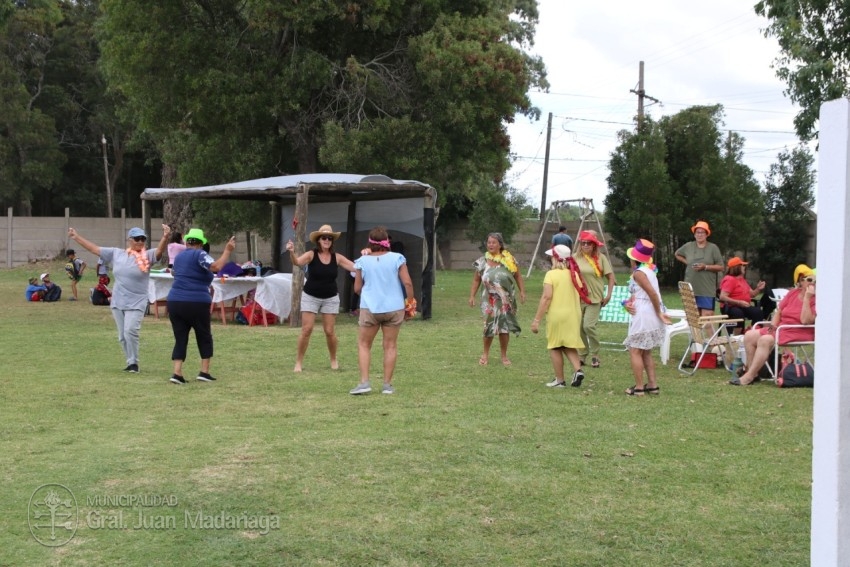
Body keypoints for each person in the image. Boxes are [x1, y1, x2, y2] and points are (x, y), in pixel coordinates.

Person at [68, 225, 169, 373]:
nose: (140, 241)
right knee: (122, 336)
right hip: (118, 301)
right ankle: (129, 362)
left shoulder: (147, 256)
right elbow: (94, 249)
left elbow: (159, 252)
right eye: (137, 239)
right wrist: (76, 237)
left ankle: (134, 363)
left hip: (137, 301)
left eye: (143, 239)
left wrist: (165, 237)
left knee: (130, 331)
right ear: (130, 240)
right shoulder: (117, 254)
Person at [349, 226, 415, 395]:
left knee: (364, 345)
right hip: (394, 308)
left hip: (370, 307)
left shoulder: (361, 261)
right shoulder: (398, 258)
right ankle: (387, 385)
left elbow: (357, 288)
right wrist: (410, 303)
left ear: (370, 242)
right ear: (387, 241)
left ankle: (364, 382)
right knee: (390, 345)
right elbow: (407, 283)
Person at [167, 228, 236, 385]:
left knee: (180, 337)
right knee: (204, 335)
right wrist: (227, 251)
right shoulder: (200, 254)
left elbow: (174, 273)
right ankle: (204, 372)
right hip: (196, 301)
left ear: (187, 242)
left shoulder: (178, 257)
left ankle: (177, 373)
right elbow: (216, 267)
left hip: (175, 301)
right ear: (201, 243)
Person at [730, 264, 816, 386]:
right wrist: (773, 327)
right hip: (782, 328)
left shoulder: (816, 298)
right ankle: (751, 372)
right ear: (800, 281)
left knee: (765, 340)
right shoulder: (792, 294)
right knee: (749, 335)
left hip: (799, 331)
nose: (812, 283)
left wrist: (807, 298)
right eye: (808, 280)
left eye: (813, 280)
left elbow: (806, 321)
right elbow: (779, 311)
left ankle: (748, 377)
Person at [286, 224, 356, 373]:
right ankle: (298, 362)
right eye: (324, 237)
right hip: (311, 295)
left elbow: (355, 267)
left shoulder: (337, 257)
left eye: (329, 238)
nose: (326, 240)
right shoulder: (311, 254)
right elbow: (297, 262)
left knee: (329, 331)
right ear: (318, 240)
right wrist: (291, 252)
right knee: (307, 329)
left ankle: (333, 359)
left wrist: (370, 255)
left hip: (330, 297)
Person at [530, 244, 587, 387]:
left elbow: (546, 297)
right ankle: (577, 370)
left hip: (557, 314)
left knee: (555, 346)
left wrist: (537, 320)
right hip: (573, 314)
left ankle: (560, 380)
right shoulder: (574, 274)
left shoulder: (551, 274)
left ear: (556, 258)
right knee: (567, 344)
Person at [468, 232, 527, 367]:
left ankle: (504, 356)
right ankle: (485, 354)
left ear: (500, 245)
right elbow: (476, 280)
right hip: (488, 300)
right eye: (489, 242)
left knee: (504, 327)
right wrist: (472, 296)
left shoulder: (509, 259)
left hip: (506, 299)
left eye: (494, 242)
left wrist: (522, 291)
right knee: (489, 326)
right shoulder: (482, 261)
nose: (491, 245)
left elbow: (518, 276)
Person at [622, 239, 672, 396]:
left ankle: (638, 387)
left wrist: (658, 312)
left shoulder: (639, 273)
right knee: (646, 351)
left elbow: (652, 293)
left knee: (635, 350)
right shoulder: (648, 271)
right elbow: (639, 293)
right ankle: (652, 385)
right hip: (647, 310)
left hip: (645, 313)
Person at [573, 229, 616, 368]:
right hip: (579, 297)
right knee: (579, 327)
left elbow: (611, 277)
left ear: (594, 245)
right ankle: (582, 354)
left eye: (588, 243)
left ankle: (595, 354)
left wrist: (608, 295)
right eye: (583, 243)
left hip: (595, 298)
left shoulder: (601, 258)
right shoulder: (574, 258)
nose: (585, 245)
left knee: (588, 326)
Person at [674, 220, 723, 316]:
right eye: (697, 232)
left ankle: (710, 332)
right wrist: (688, 263)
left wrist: (706, 267)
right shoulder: (688, 246)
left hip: (706, 289)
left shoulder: (713, 248)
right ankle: (696, 332)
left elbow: (721, 267)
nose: (699, 235)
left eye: (702, 232)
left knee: (707, 317)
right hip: (690, 288)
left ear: (707, 234)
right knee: (693, 318)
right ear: (694, 234)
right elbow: (677, 254)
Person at [718, 256, 765, 334]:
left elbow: (752, 294)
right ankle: (737, 337)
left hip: (742, 306)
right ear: (736, 267)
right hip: (730, 307)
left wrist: (758, 288)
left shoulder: (742, 279)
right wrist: (739, 302)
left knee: (758, 312)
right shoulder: (729, 279)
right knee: (738, 313)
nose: (744, 267)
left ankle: (754, 333)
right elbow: (722, 297)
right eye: (742, 265)